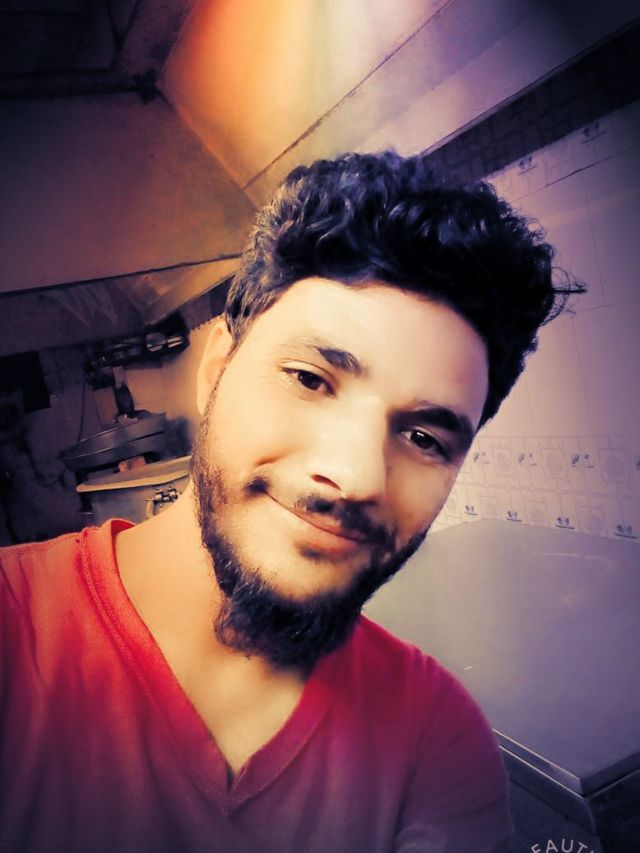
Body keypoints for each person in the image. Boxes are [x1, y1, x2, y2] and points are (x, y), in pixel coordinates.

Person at [0, 151, 577, 852]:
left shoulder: (438, 738)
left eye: (424, 437)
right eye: (309, 379)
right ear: (215, 370)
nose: (358, 476)